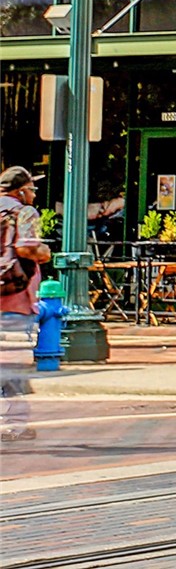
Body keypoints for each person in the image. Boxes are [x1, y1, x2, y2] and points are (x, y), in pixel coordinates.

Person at [1, 165, 51, 443]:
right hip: (13, 296)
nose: (34, 194)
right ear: (20, 190)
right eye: (32, 189)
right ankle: (13, 424)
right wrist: (44, 252)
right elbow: (27, 248)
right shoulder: (24, 212)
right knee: (11, 363)